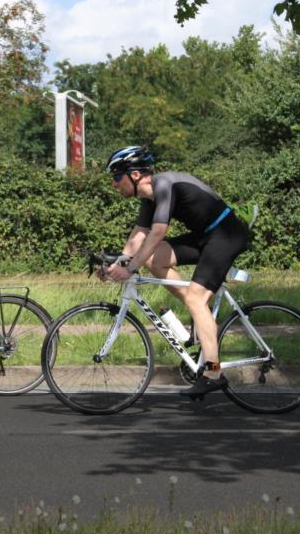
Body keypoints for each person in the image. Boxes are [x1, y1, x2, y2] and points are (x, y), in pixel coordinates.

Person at [102, 146, 249, 398]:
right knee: (155, 261)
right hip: (205, 236)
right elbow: (139, 235)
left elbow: (158, 232)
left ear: (135, 175)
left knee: (195, 298)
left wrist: (132, 267)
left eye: (117, 177)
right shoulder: (148, 198)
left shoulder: (163, 185)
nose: (114, 184)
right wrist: (118, 265)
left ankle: (214, 373)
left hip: (226, 235)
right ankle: (202, 316)